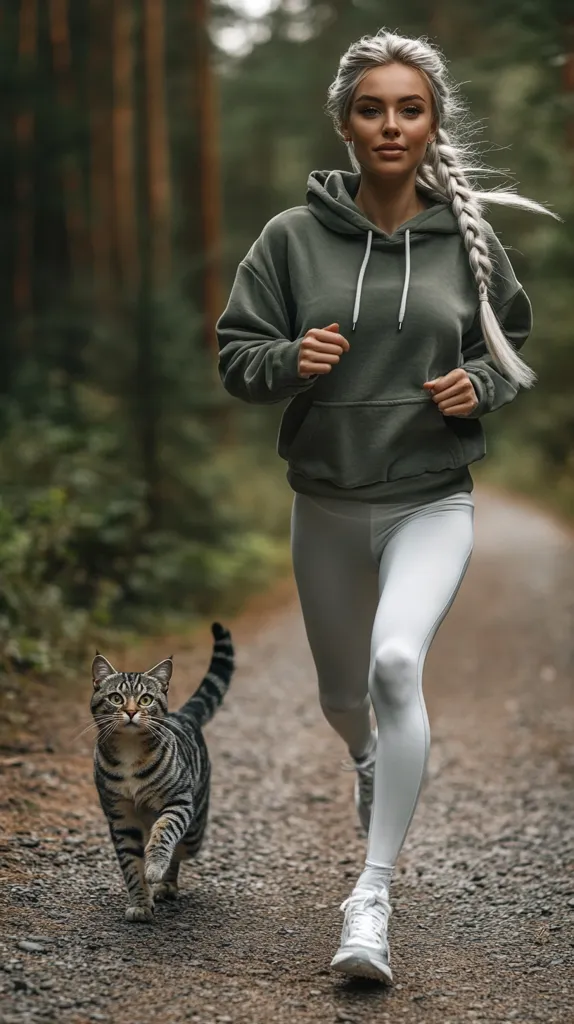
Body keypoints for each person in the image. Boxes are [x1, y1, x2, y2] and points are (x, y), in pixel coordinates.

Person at [216, 28, 554, 984]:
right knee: (341, 696)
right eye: (372, 109)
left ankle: (370, 898)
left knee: (396, 664)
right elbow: (236, 357)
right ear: (345, 123)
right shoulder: (289, 239)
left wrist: (478, 386)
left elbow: (508, 345)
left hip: (430, 502)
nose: (392, 125)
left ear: (433, 123)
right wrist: (291, 359)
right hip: (325, 502)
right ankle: (367, 759)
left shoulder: (468, 238)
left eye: (411, 108)